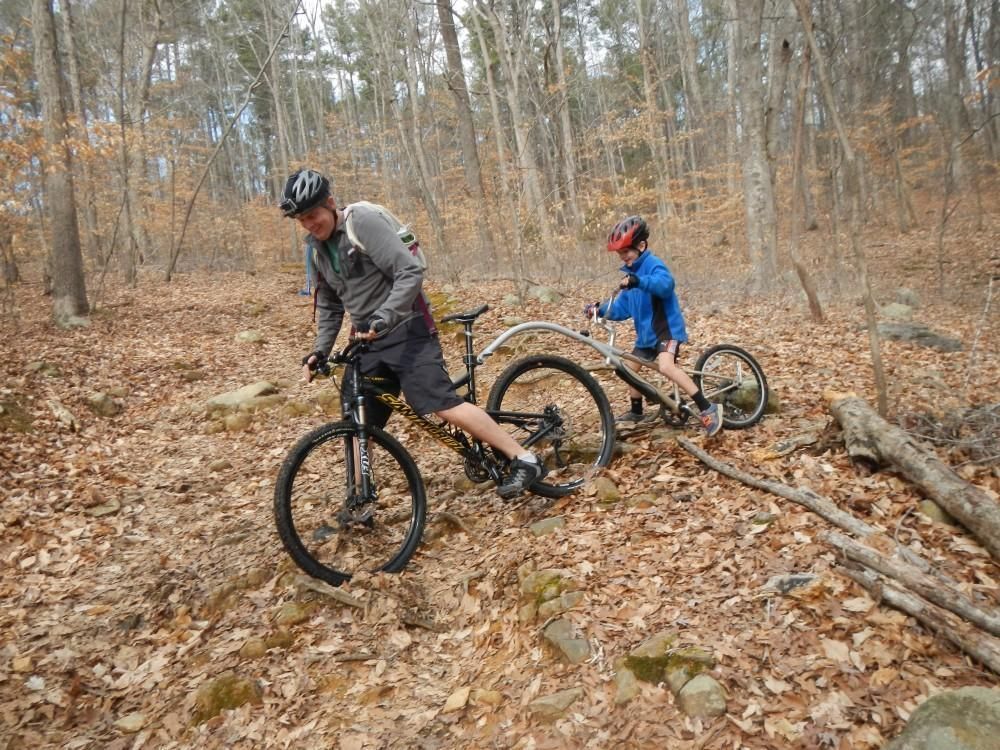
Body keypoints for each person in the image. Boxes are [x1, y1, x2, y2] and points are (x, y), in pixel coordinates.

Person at [280, 168, 547, 498]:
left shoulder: (361, 223)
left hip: (407, 326)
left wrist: (384, 317)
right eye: (302, 219)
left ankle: (524, 458)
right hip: (367, 339)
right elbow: (331, 306)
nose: (309, 224)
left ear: (330, 203)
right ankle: (360, 498)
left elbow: (409, 271)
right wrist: (319, 349)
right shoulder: (315, 249)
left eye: (313, 215)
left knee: (439, 403)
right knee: (356, 417)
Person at [587, 215, 723, 437]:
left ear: (641, 246)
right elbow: (621, 307)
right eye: (621, 255)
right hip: (646, 338)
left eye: (627, 253)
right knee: (627, 370)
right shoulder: (630, 277)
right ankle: (637, 411)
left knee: (667, 367)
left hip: (666, 330)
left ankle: (708, 408)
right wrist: (599, 309)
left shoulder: (652, 265)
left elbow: (665, 285)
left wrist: (640, 281)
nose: (624, 259)